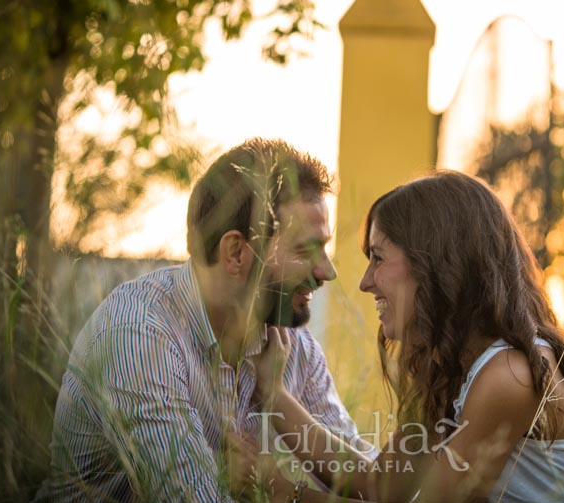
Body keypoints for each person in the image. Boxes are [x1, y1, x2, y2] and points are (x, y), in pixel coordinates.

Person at [251, 171, 564, 502]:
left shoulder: (509, 376)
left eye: (379, 258)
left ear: (437, 265)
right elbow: (380, 486)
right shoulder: (451, 367)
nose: (365, 282)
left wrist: (283, 491)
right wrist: (274, 396)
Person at [35, 138, 371, 502]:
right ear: (236, 253)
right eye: (305, 249)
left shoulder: (295, 347)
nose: (327, 271)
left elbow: (373, 487)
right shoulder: (140, 333)